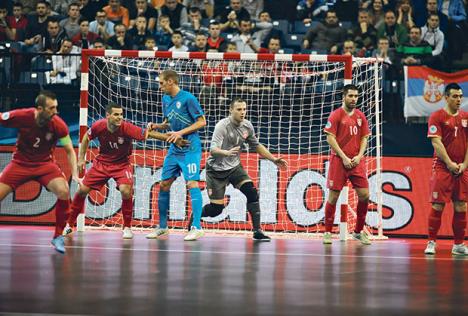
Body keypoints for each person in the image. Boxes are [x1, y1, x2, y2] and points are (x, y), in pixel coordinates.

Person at [64, 102, 189, 239]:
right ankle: (69, 225)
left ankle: (127, 227)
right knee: (82, 190)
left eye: (121, 115)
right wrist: (81, 158)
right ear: (108, 116)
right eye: (116, 114)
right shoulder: (98, 126)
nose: (120, 118)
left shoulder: (127, 128)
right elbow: (86, 137)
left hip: (121, 165)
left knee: (125, 190)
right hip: (102, 163)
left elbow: (150, 134)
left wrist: (173, 139)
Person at [0, 90, 79, 253]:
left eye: (56, 108)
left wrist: (76, 174)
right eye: (51, 108)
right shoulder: (22, 116)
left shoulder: (59, 125)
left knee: (64, 192)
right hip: (19, 164)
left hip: (45, 165)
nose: (55, 112)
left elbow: (70, 150)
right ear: (40, 109)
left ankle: (58, 237)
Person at [198, 98, 287, 241]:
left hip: (234, 167)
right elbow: (213, 150)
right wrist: (226, 153)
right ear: (231, 110)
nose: (243, 112)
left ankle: (257, 231)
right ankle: (195, 217)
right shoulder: (222, 126)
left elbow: (256, 145)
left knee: (251, 192)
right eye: (239, 109)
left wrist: (273, 159)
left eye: (244, 109)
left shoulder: (247, 126)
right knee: (216, 210)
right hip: (216, 171)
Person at [146, 69, 206, 241]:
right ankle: (163, 227)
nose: (160, 86)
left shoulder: (188, 98)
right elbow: (168, 123)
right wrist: (157, 126)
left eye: (161, 82)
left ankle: (197, 227)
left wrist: (180, 132)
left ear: (171, 81)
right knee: (164, 184)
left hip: (190, 147)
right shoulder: (165, 99)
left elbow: (202, 121)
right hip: (174, 147)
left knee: (192, 183)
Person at [323, 84, 371, 245]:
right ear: (343, 96)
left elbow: (364, 137)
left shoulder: (360, 116)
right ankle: (328, 232)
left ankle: (358, 231)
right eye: (350, 96)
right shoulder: (336, 115)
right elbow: (330, 138)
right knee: (334, 196)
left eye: (356, 96)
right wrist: (343, 157)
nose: (353, 99)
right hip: (339, 161)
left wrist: (359, 156)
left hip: (356, 161)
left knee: (365, 195)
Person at [425, 83, 467, 256]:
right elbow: (436, 142)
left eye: (460, 96)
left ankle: (458, 245)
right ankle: (431, 242)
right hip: (443, 167)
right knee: (438, 205)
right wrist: (450, 163)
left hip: (461, 168)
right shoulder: (437, 116)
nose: (458, 99)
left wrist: (464, 165)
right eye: (455, 96)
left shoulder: (465, 117)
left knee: (461, 206)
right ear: (446, 97)